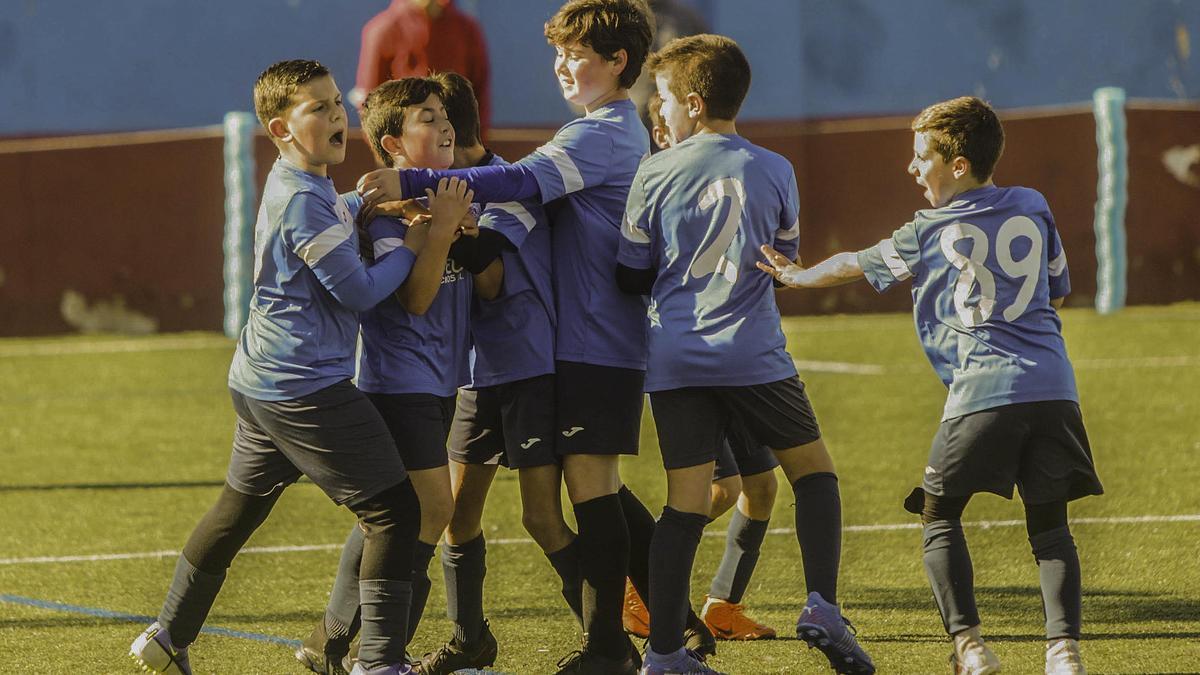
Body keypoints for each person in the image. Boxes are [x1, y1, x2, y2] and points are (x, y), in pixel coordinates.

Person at [129, 59, 468, 675]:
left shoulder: (308, 186)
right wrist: (421, 240)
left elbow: (331, 225)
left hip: (260, 380)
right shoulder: (301, 202)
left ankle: (168, 634)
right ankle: (379, 661)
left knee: (238, 509)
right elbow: (362, 292)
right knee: (396, 511)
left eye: (337, 102)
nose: (339, 116)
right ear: (281, 129)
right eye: (319, 109)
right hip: (302, 388)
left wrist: (362, 209)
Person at [356, 3, 659, 673]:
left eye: (577, 54)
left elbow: (518, 188)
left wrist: (418, 184)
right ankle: (639, 634)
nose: (561, 64)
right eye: (559, 52)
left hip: (586, 342)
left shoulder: (602, 134)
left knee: (589, 496)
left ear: (618, 64)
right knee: (589, 494)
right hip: (569, 344)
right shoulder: (593, 130)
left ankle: (631, 640)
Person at [758, 95, 1103, 675]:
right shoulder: (1033, 204)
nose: (913, 168)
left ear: (958, 165)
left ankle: (970, 649)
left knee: (940, 516)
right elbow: (1058, 292)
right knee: (1050, 526)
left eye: (923, 157)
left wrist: (794, 275)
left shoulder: (929, 229)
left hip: (981, 393)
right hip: (1054, 388)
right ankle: (1062, 653)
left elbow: (850, 264)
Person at [615, 34, 875, 675]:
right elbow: (780, 261)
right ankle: (821, 605)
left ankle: (665, 653)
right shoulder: (775, 168)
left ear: (694, 105)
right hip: (754, 354)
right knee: (813, 475)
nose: (662, 112)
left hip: (677, 359)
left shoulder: (654, 172)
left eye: (667, 100)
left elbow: (629, 273)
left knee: (684, 505)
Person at [295, 76, 486, 675]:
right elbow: (418, 300)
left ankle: (331, 642)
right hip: (397, 385)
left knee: (395, 517)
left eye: (444, 113)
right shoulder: (385, 222)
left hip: (439, 385)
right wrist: (437, 233)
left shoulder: (438, 208)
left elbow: (488, 286)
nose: (445, 123)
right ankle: (379, 648)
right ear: (393, 145)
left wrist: (467, 234)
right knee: (427, 511)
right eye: (426, 117)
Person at [412, 71, 573, 675]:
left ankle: (607, 637)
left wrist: (445, 228)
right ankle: (469, 638)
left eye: (431, 120)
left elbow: (492, 278)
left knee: (541, 517)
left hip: (530, 368)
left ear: (453, 131)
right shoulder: (449, 190)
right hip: (478, 376)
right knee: (457, 514)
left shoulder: (509, 190)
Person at [621, 90, 779, 645]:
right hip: (689, 364)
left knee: (759, 489)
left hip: (739, 357)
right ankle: (644, 591)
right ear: (659, 131)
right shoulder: (657, 180)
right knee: (718, 488)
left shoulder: (723, 174)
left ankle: (723, 605)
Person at [352, 0, 491, 138]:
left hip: (458, 149)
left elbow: (479, 91)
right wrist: (389, 153)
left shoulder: (466, 29)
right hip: (404, 150)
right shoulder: (383, 29)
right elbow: (370, 102)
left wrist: (474, 145)